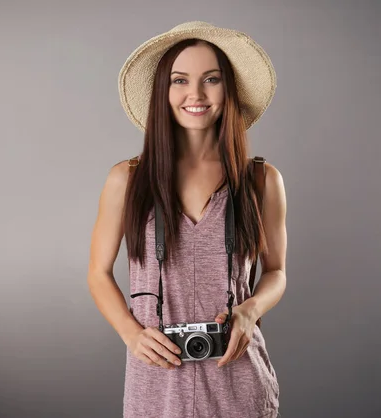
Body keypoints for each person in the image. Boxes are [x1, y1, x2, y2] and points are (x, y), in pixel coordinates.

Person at [88, 21, 287, 418]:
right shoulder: (126, 180)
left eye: (211, 79)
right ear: (163, 91)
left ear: (228, 89)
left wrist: (249, 311)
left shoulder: (262, 180)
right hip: (156, 385)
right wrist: (131, 333)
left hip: (238, 383)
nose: (195, 94)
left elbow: (276, 271)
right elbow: (97, 273)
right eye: (180, 80)